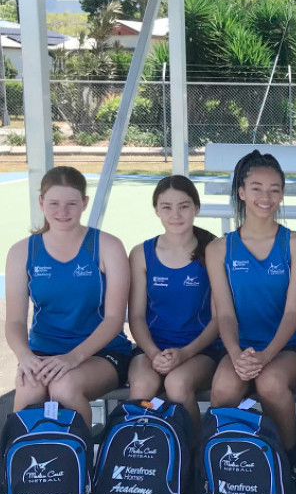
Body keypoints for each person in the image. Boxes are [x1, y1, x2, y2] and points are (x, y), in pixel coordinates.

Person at [206, 150, 296, 494]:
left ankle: (289, 469)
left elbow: (292, 312)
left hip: (287, 349)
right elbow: (225, 315)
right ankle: (221, 473)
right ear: (241, 192)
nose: (265, 198)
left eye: (274, 189)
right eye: (256, 188)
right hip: (239, 348)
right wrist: (237, 355)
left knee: (269, 383)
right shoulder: (220, 248)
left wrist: (266, 356)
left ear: (282, 193)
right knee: (223, 386)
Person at [5, 166, 132, 427]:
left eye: (71, 204)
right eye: (54, 203)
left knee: (63, 387)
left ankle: (81, 463)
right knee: (29, 390)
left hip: (101, 353)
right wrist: (25, 357)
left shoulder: (107, 246)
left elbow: (113, 320)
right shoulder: (21, 252)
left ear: (84, 203)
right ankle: (19, 463)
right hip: (43, 352)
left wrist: (72, 358)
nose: (62, 212)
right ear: (41, 202)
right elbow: (15, 322)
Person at [127, 176, 220, 429]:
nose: (175, 214)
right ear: (156, 209)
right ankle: (147, 457)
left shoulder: (213, 250)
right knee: (142, 387)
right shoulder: (141, 254)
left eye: (184, 205)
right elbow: (136, 316)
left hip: (201, 350)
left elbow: (219, 319)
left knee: (177, 385)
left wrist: (185, 353)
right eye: (166, 207)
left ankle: (193, 455)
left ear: (196, 208)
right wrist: (153, 353)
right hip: (152, 348)